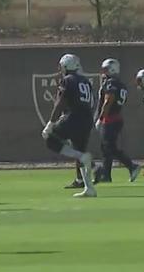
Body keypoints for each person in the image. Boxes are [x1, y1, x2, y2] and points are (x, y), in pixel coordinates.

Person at [41, 53, 97, 198]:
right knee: (81, 151)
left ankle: (81, 157)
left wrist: (50, 124)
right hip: (87, 119)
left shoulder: (67, 80)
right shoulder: (85, 81)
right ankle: (89, 187)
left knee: (50, 139)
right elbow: (91, 103)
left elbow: (60, 104)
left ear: (66, 66)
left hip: (73, 117)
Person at [95, 58, 142, 184]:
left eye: (105, 70)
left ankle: (131, 166)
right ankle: (106, 175)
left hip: (110, 119)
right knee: (106, 148)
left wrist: (101, 118)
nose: (103, 72)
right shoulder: (120, 83)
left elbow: (108, 100)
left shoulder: (111, 83)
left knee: (109, 147)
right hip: (115, 118)